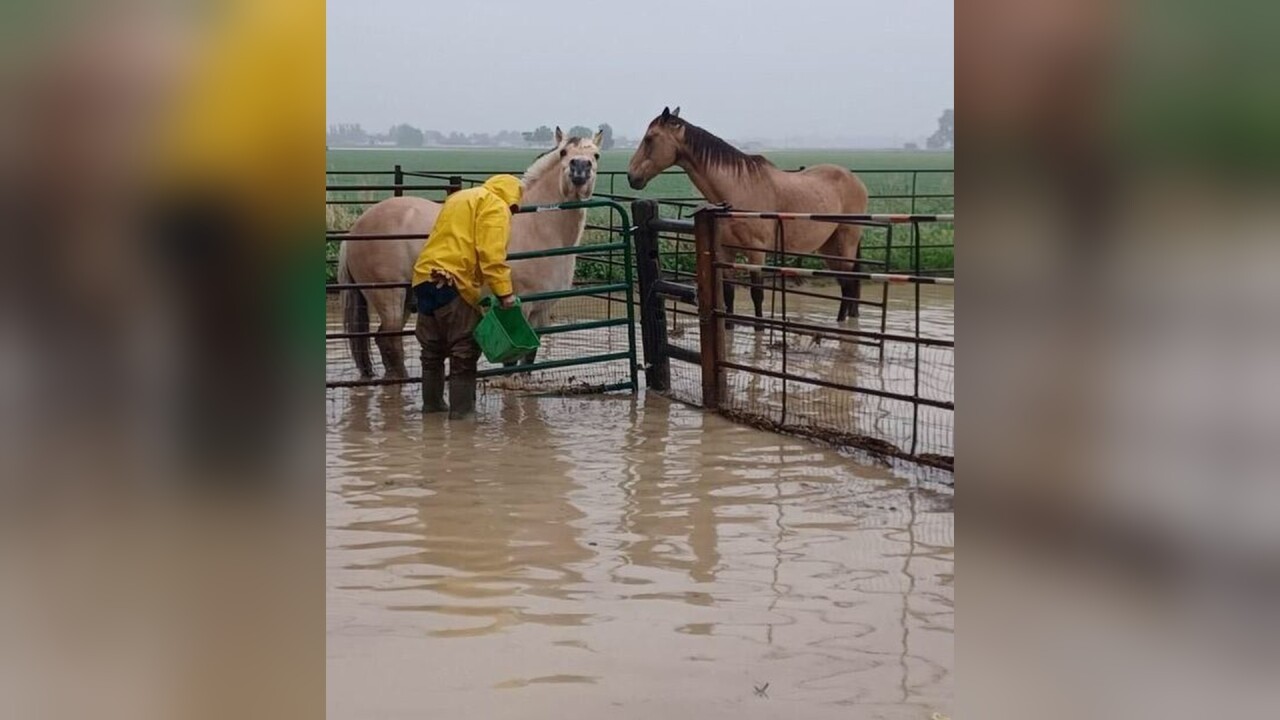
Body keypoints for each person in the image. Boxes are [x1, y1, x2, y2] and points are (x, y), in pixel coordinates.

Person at [410, 174, 522, 419]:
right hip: (453, 280)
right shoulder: (496, 206)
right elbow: (491, 255)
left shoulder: (460, 197)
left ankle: (432, 409)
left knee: (432, 351)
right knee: (464, 350)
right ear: (512, 196)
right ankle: (462, 419)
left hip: (423, 277)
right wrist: (505, 294)